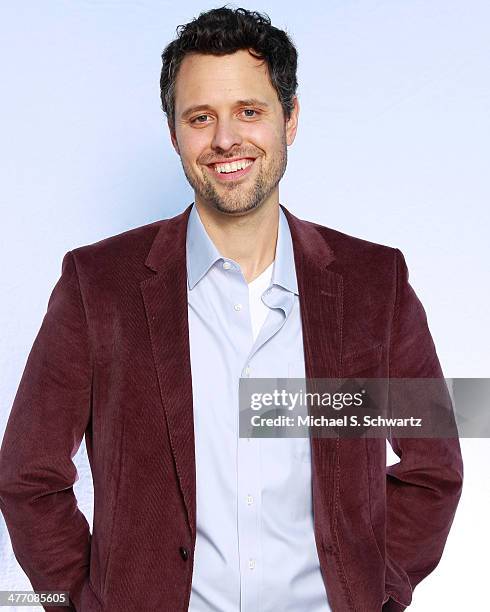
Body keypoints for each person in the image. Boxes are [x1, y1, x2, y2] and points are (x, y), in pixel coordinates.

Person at [0, 7, 463, 612]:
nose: (225, 139)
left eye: (250, 111)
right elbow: (28, 476)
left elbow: (433, 467)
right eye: (201, 117)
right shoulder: (98, 285)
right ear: (173, 133)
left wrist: (377, 591)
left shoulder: (375, 283)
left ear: (290, 118)